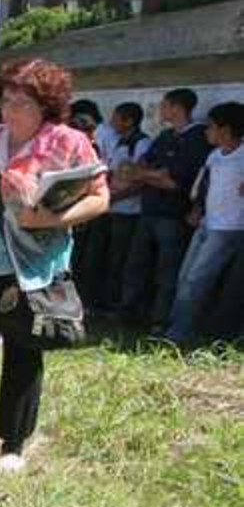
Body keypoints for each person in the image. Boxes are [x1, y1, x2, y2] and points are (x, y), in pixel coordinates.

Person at [0, 58, 108, 473]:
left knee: (23, 349)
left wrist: (53, 218)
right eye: (6, 99)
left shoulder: (67, 142)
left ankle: (13, 442)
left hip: (31, 265)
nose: (11, 108)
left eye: (23, 101)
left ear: (46, 105)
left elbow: (99, 197)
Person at [119, 88, 212, 332]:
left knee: (167, 270)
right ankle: (129, 312)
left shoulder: (198, 137)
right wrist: (152, 175)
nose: (160, 110)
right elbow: (138, 167)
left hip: (173, 215)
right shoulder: (164, 136)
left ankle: (160, 319)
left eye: (164, 105)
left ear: (176, 108)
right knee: (136, 264)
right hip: (149, 210)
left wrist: (146, 175)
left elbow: (174, 181)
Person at [166, 102, 244, 344]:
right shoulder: (214, 155)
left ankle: (179, 334)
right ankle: (180, 328)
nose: (206, 131)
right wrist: (198, 208)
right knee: (185, 277)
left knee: (197, 280)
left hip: (229, 229)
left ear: (226, 129)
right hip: (207, 224)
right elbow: (205, 184)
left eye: (210, 126)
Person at [91, 102, 151, 311]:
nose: (112, 123)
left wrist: (115, 197)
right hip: (108, 207)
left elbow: (140, 180)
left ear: (129, 121)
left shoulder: (141, 144)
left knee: (119, 259)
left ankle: (116, 303)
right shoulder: (117, 141)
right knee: (100, 255)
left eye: (117, 118)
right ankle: (98, 300)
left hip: (127, 211)